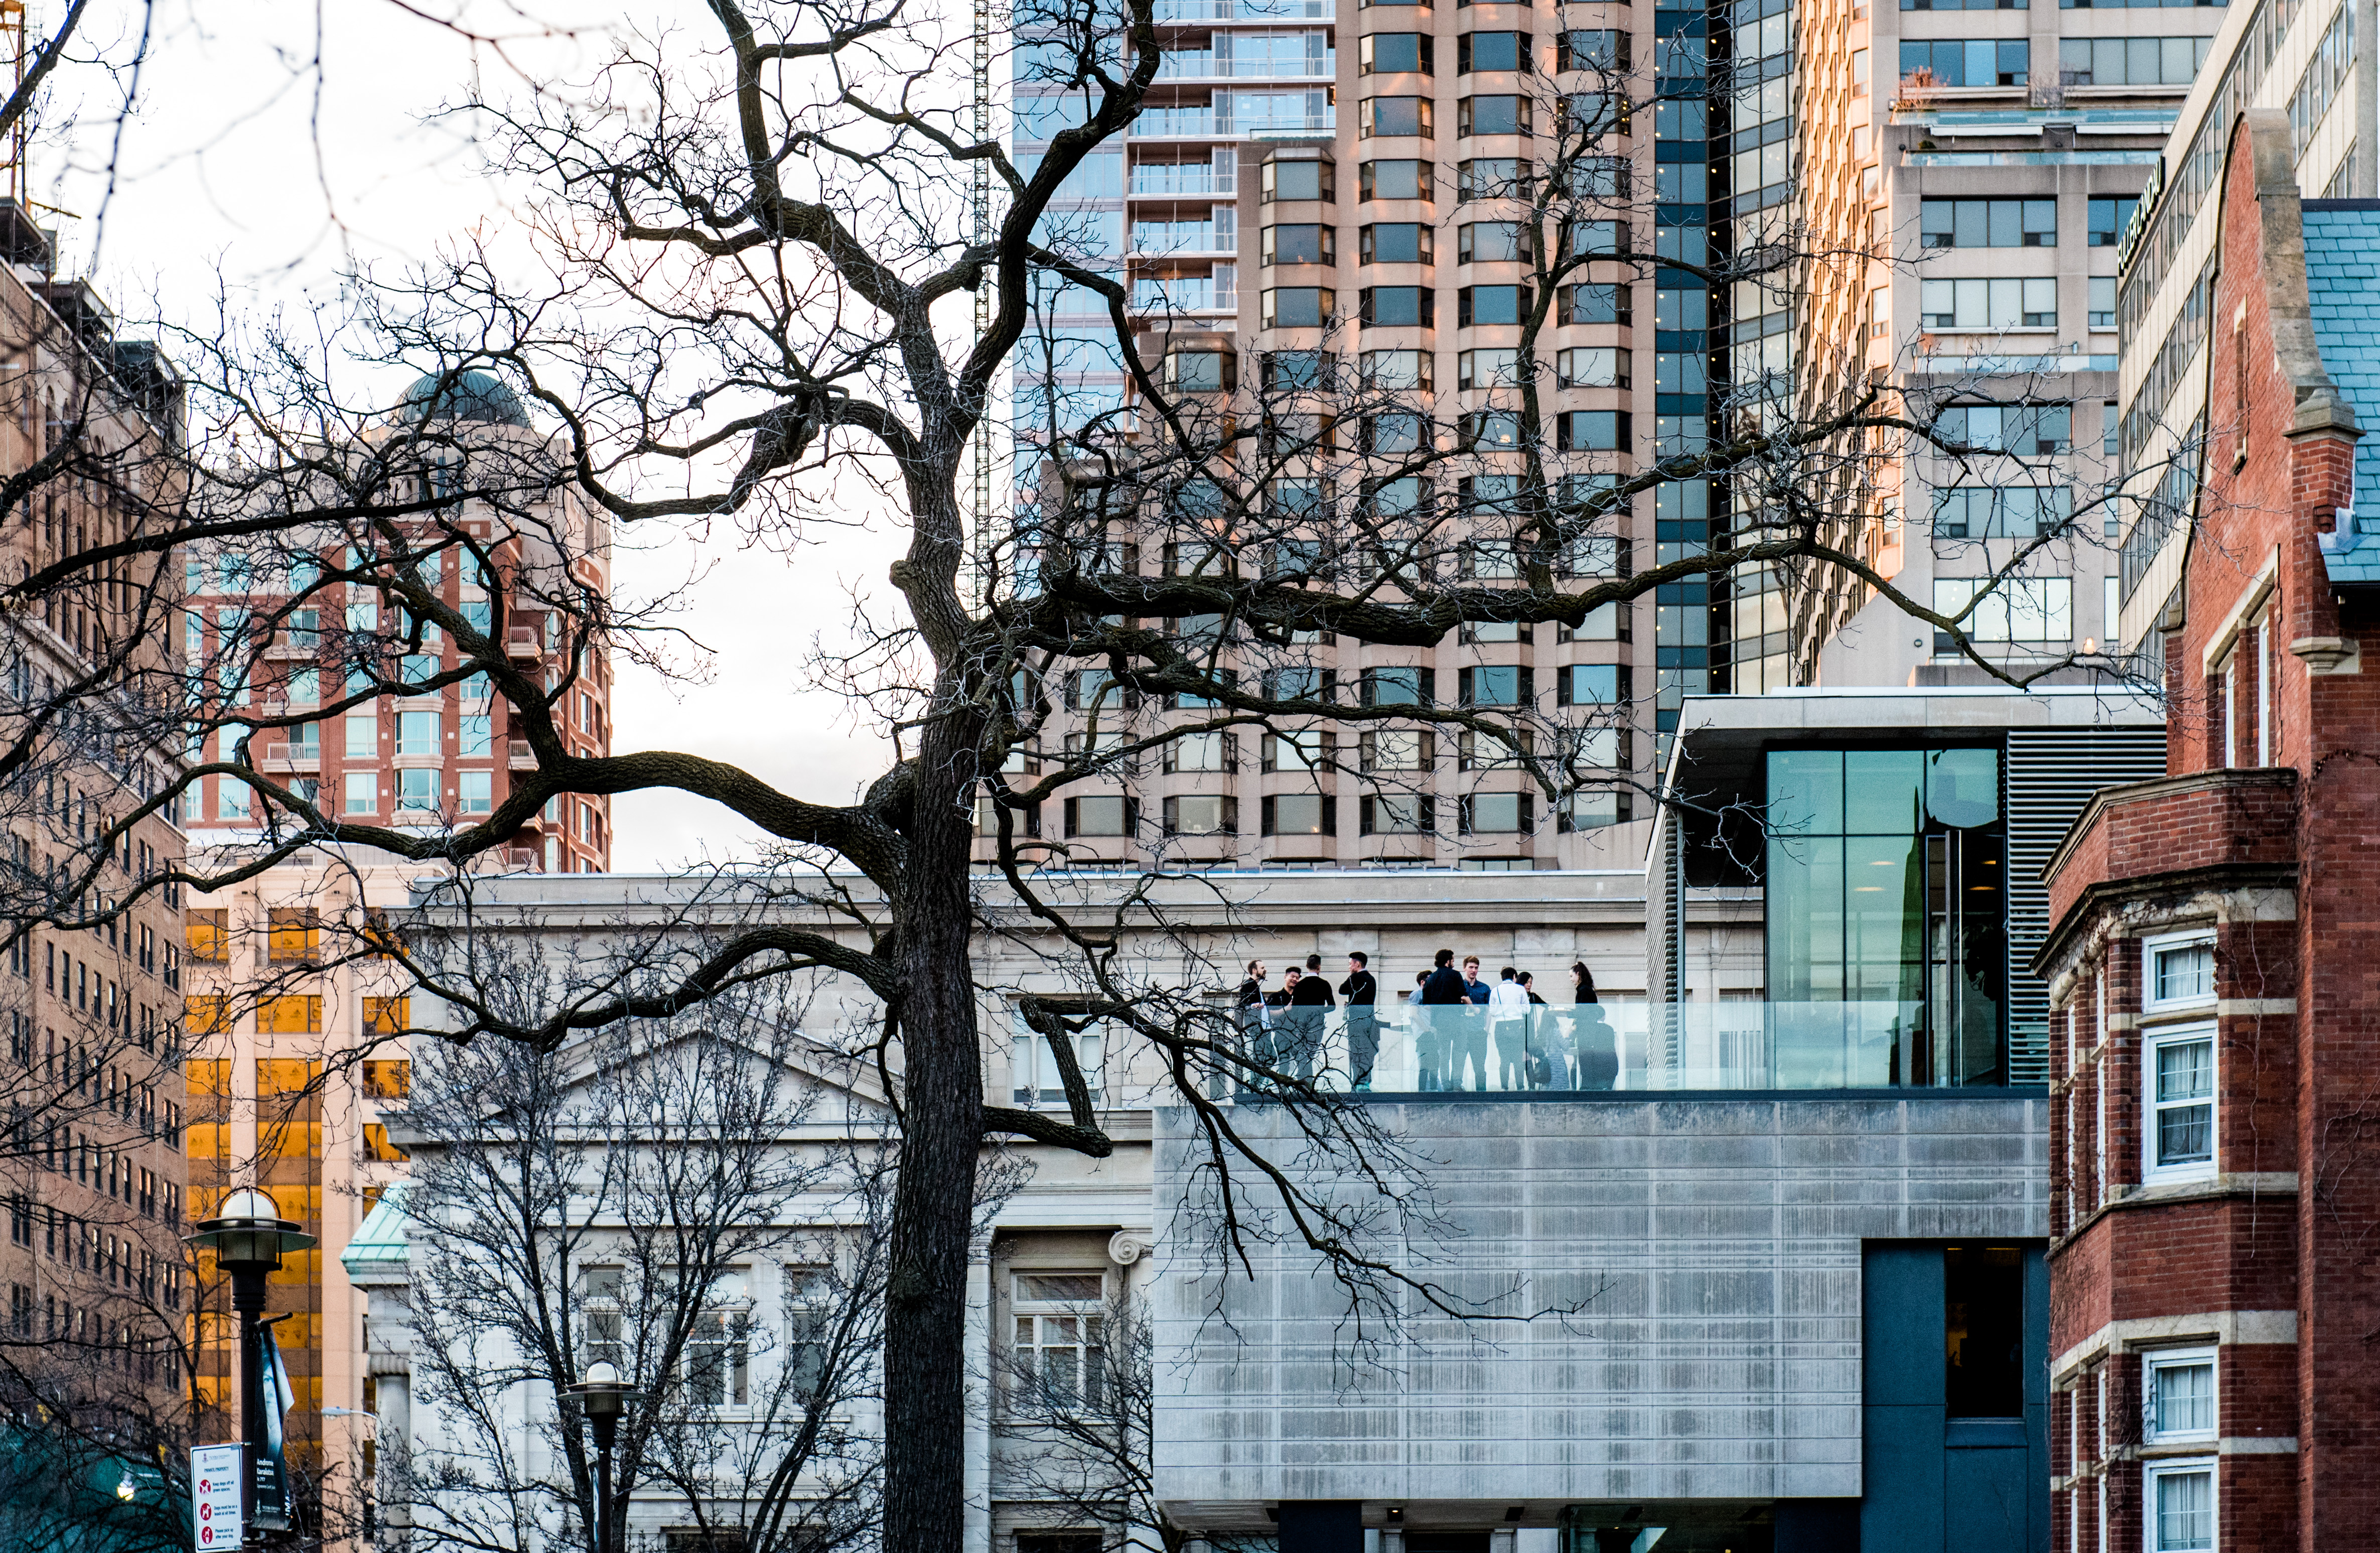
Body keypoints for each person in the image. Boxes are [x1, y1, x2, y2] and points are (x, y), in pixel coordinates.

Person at [1418, 950, 1467, 1092]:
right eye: (1453, 960)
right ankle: (1457, 1083)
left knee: (1444, 1054)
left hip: (1439, 1023)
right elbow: (1464, 997)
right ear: (1448, 961)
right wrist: (1474, 1009)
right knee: (1459, 1052)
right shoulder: (1456, 975)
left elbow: (1426, 1006)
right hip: (1457, 1020)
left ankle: (1445, 1084)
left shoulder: (1431, 979)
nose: (1454, 962)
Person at [1286, 953, 1335, 1083]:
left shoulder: (1300, 985)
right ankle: (1306, 1081)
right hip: (1317, 1024)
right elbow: (1332, 1006)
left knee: (1303, 1053)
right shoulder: (1324, 984)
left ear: (1307, 966)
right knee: (1310, 1053)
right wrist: (1320, 1010)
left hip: (1301, 1025)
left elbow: (1295, 1008)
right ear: (1319, 967)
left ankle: (1303, 1080)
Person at [1446, 955, 1492, 1091]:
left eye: (1476, 968)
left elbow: (1488, 1011)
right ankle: (1456, 1090)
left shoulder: (1484, 988)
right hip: (1461, 1032)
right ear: (1464, 968)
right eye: (1471, 967)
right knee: (1458, 1063)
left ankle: (1481, 1094)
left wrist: (1486, 1029)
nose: (1474, 970)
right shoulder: (1457, 985)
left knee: (1480, 1067)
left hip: (1479, 1032)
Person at [1571, 959, 1618, 1090]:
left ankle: (1586, 1087)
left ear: (1578, 974)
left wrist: (1573, 1019)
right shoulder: (1588, 990)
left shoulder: (1583, 991)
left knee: (1585, 1064)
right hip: (1590, 1037)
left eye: (1572, 976)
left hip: (1586, 1035)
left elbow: (1583, 1012)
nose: (1571, 980)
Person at [1339, 951, 1380, 1090]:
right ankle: (1365, 1082)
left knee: (1356, 1054)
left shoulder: (1356, 978)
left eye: (1351, 964)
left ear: (1357, 964)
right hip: (1369, 1022)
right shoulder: (1372, 979)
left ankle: (1358, 1083)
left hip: (1357, 1023)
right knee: (1367, 1054)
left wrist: (1352, 975)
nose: (1349, 967)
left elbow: (1342, 990)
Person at [1489, 966, 1531, 1091]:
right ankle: (1520, 1087)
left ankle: (1504, 1087)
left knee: (1504, 1059)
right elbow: (1527, 1009)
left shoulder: (1495, 991)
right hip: (1518, 1026)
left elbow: (1492, 1011)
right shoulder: (1520, 989)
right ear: (1514, 977)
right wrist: (1517, 1010)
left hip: (1501, 1026)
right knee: (1519, 1060)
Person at [1519, 970, 1554, 1089]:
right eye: (1527, 983)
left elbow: (1547, 1006)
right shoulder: (1517, 996)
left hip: (1530, 1034)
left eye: (1531, 983)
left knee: (1538, 1056)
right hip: (1520, 1033)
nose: (1529, 985)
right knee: (1527, 1059)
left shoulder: (1533, 997)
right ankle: (1531, 1086)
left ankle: (1537, 1081)